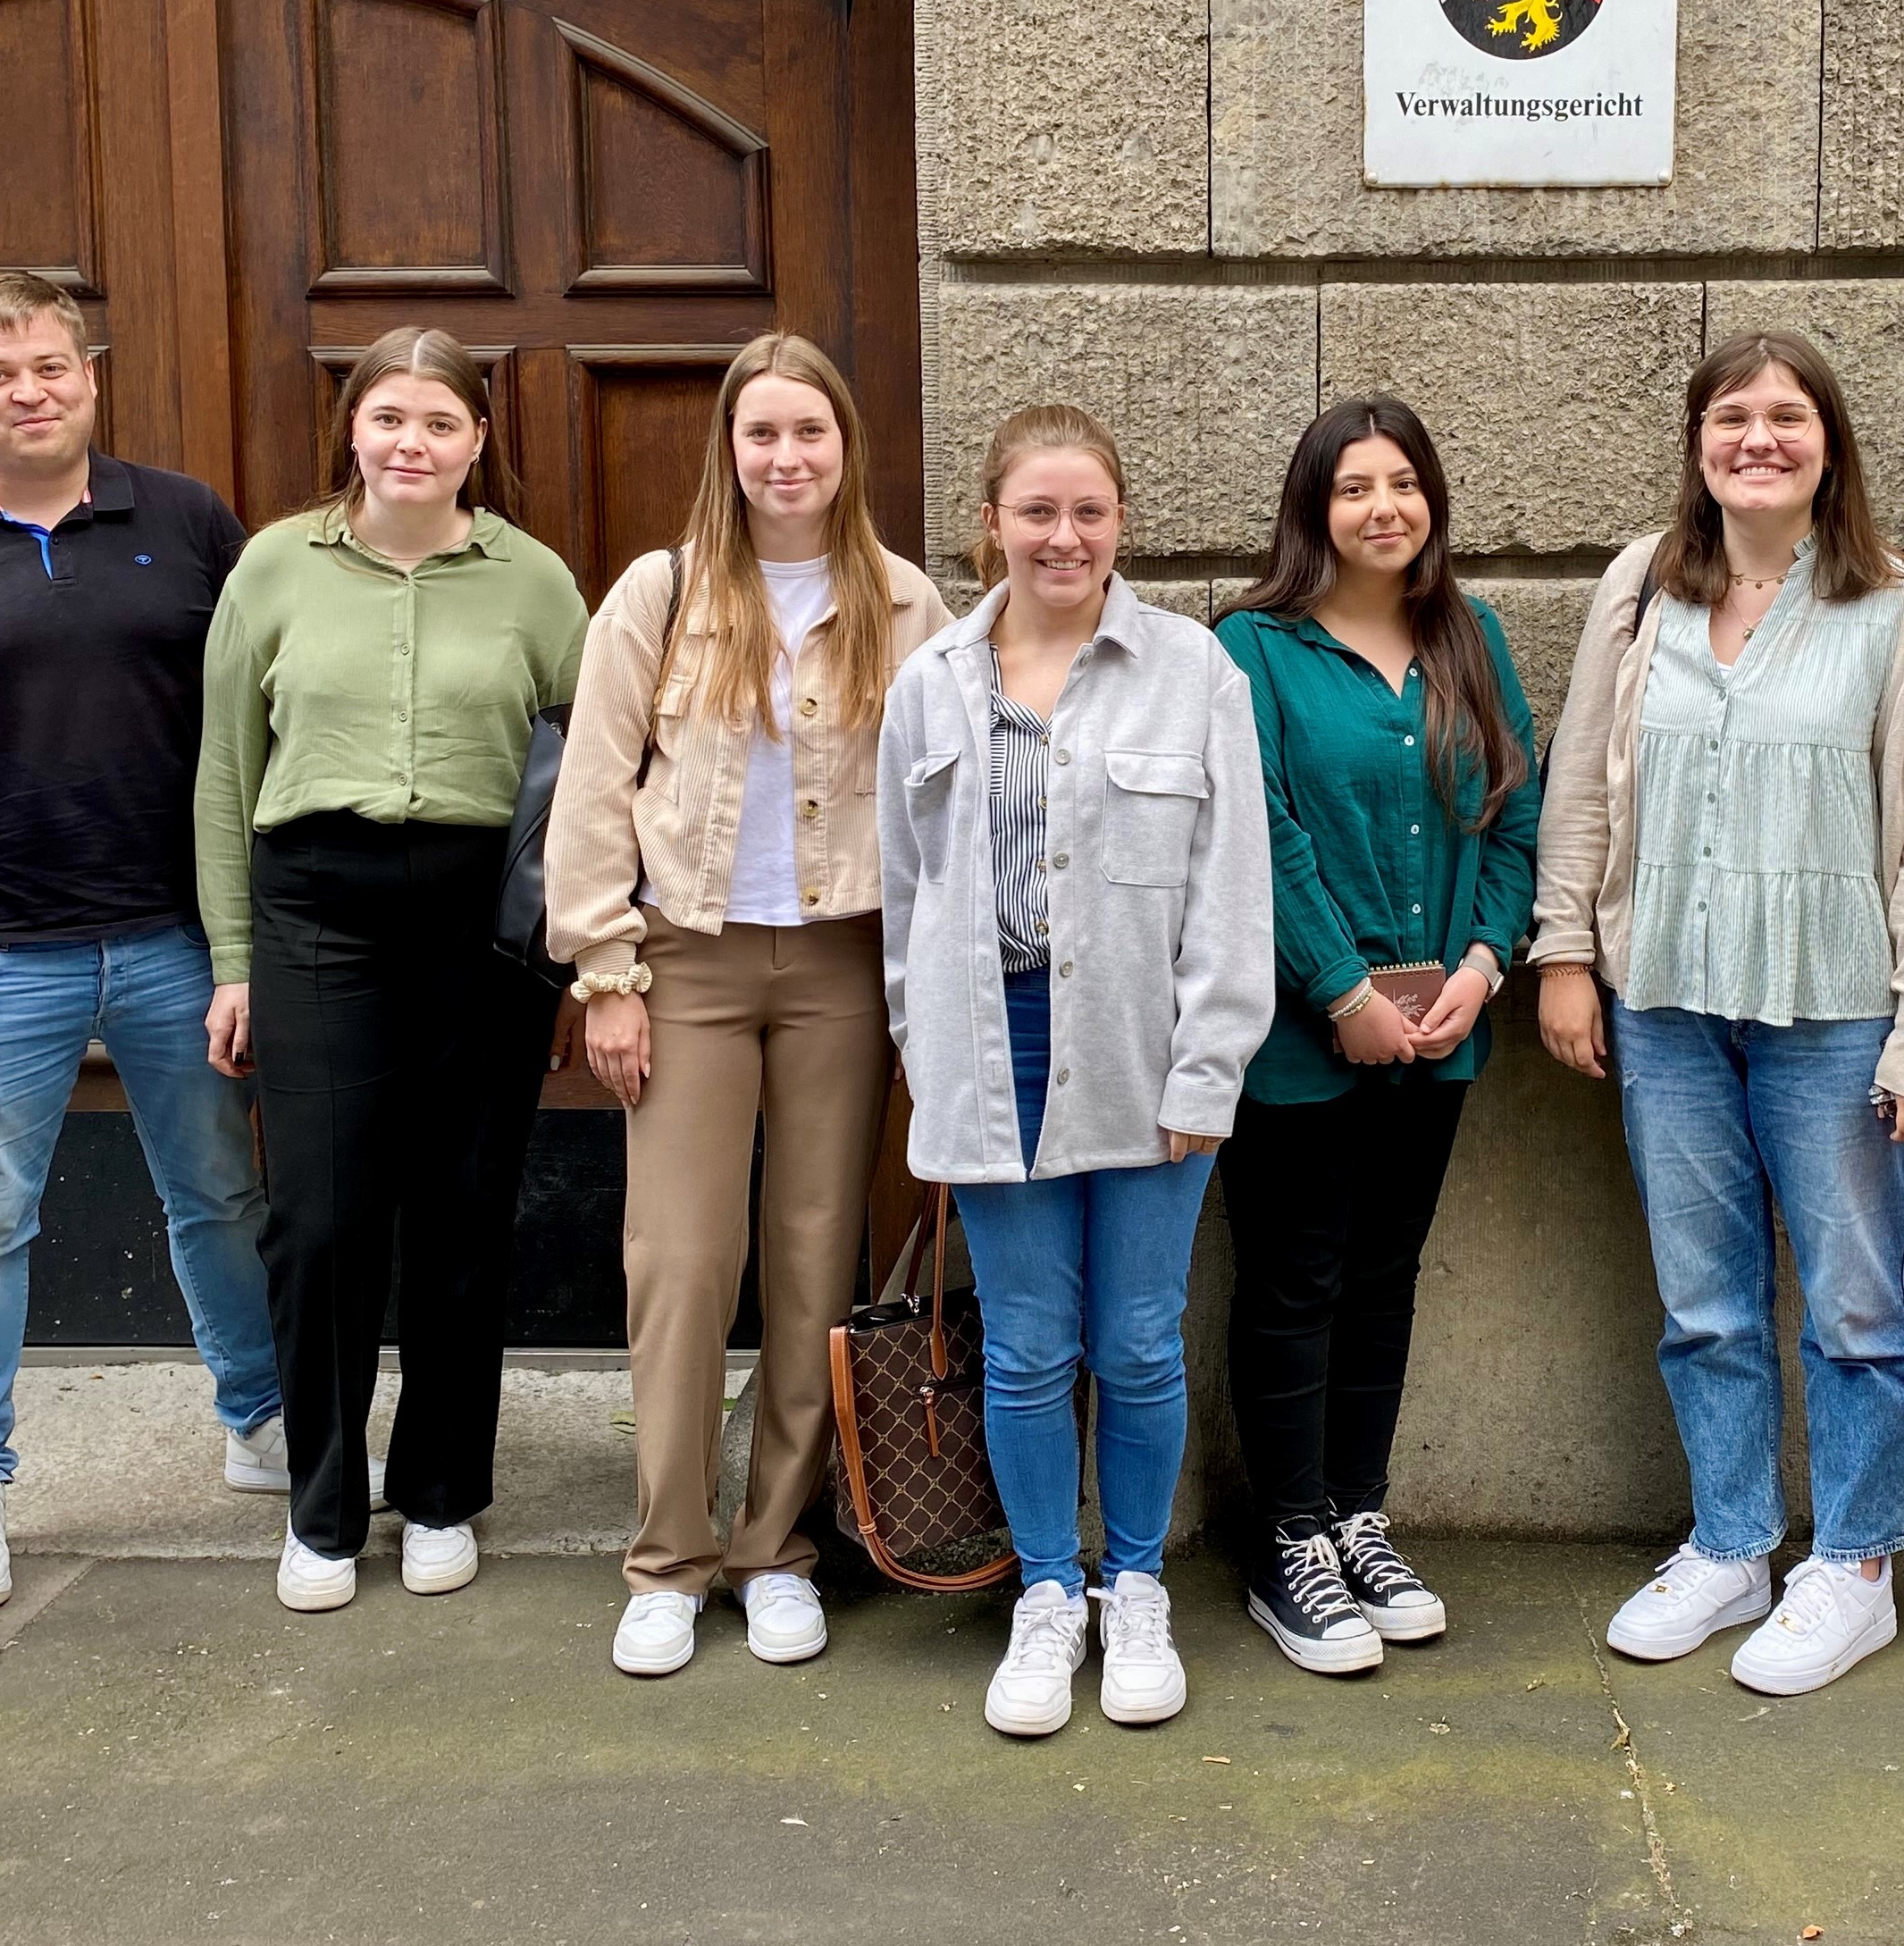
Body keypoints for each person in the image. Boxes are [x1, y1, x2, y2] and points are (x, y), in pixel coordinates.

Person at [1530, 331, 1904, 1698]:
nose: (1758, 438)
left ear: (1830, 445)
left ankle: (1854, 1563)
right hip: (1664, 998)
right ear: (1698, 443)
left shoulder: (1890, 605)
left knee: (1856, 1305)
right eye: (1733, 416)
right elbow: (1582, 785)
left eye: (1788, 417)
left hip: (1837, 1007)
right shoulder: (1640, 590)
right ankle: (1730, 1542)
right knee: (1706, 1303)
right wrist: (1562, 953)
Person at [0, 273, 287, 1620]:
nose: (28, 392)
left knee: (218, 1192)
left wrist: (245, 940)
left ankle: (262, 1419)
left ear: (90, 373)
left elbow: (257, 713)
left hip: (172, 934)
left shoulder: (188, 518)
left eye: (51, 367)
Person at [544, 335, 947, 1678]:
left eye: (811, 435)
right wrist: (607, 971)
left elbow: (939, 803)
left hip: (840, 964)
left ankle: (777, 1548)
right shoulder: (658, 595)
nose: (787, 458)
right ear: (729, 448)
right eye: (762, 433)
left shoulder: (903, 604)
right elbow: (594, 793)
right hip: (690, 962)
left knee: (812, 1261)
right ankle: (668, 1557)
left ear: (847, 450)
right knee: (678, 1263)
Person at [878, 406, 1271, 1740]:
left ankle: (1136, 1585)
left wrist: (1207, 1072)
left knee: (1138, 1341)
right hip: (995, 1053)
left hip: (1144, 1052)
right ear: (990, 520)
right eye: (1036, 512)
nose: (1063, 536)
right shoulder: (931, 680)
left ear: (1121, 524)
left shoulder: (1193, 670)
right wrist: (923, 1052)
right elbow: (905, 893)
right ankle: (1049, 1594)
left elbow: (1232, 895)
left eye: (1087, 513)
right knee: (1033, 1350)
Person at [197, 328, 586, 1616]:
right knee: (318, 1219)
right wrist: (236, 962)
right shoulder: (273, 568)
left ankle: (439, 1492)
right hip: (317, 911)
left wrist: (587, 949)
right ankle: (321, 1504)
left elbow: (595, 769)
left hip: (482, 920)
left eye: (439, 422)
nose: (411, 443)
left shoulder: (532, 581)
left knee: (463, 1216)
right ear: (352, 431)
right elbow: (223, 780)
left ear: (479, 442)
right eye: (389, 420)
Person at [1212, 399, 1541, 1674]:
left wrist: (1481, 961)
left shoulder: (1469, 637)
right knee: (1295, 1279)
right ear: (1314, 507)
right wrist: (1343, 991)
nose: (1382, 508)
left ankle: (1358, 1514)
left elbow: (1511, 814)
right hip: (1300, 1041)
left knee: (1384, 1276)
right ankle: (1286, 1540)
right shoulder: (1253, 646)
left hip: (1442, 1032)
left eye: (1403, 483)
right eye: (1354, 487)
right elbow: (1261, 830)